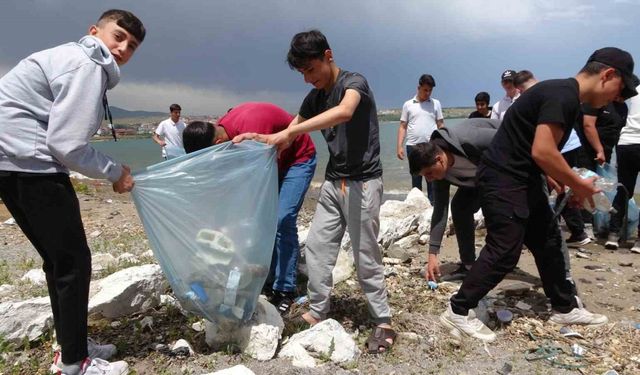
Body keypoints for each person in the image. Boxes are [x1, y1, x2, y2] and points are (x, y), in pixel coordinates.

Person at [440, 47, 637, 342]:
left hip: (524, 176)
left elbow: (529, 143)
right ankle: (457, 311)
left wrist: (557, 179)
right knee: (505, 249)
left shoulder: (564, 94)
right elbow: (543, 150)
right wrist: (580, 185)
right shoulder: (563, 96)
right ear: (608, 75)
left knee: (546, 240)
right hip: (503, 179)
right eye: (619, 90)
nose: (617, 99)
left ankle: (564, 307)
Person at [0, 9, 144, 375]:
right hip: (32, 167)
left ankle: (70, 345)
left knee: (59, 262)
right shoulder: (86, 65)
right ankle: (74, 364)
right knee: (74, 263)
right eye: (118, 36)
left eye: (132, 45)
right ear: (94, 31)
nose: (123, 48)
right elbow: (66, 143)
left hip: (11, 165)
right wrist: (115, 172)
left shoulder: (68, 56)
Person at [238, 29, 395, 354]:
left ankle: (383, 321)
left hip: (363, 183)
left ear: (328, 56)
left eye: (311, 70)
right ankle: (319, 309)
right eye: (302, 73)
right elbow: (286, 135)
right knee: (318, 250)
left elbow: (345, 112)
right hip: (333, 182)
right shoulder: (314, 97)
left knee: (366, 256)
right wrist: (258, 138)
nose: (308, 79)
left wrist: (294, 129)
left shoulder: (354, 82)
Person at [182, 102, 317, 314]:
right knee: (262, 220)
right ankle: (268, 275)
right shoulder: (219, 132)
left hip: (296, 160)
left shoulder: (251, 128)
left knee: (282, 220)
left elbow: (258, 175)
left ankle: (285, 289)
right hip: (270, 163)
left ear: (217, 142)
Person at [408, 118, 501, 282]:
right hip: (479, 180)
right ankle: (468, 266)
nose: (429, 180)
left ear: (439, 159)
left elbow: (510, 137)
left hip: (506, 169)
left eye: (429, 173)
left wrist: (544, 166)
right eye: (424, 176)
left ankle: (559, 271)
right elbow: (440, 211)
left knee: (513, 215)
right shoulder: (440, 174)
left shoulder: (469, 139)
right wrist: (432, 254)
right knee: (459, 206)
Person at [518, 71, 590, 245]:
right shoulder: (550, 91)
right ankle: (563, 229)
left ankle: (576, 232)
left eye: (521, 90)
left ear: (521, 87)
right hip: (568, 146)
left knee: (558, 188)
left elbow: (542, 142)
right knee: (557, 188)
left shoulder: (537, 97)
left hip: (560, 149)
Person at [396, 74, 444, 203]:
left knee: (432, 179)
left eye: (430, 90)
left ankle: (433, 207)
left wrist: (445, 144)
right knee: (416, 179)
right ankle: (417, 206)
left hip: (431, 146)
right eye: (425, 90)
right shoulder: (408, 104)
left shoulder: (436, 104)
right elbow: (403, 126)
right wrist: (399, 146)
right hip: (413, 146)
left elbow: (440, 125)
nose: (428, 93)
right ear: (419, 87)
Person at [605, 81, 640, 251]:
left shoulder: (636, 90)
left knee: (624, 189)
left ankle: (613, 235)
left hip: (625, 143)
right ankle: (639, 242)